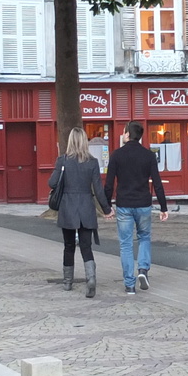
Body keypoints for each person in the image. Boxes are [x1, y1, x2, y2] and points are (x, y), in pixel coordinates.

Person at [104, 122, 168, 297]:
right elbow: (157, 183)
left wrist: (106, 206)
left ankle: (129, 285)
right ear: (140, 136)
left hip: (124, 204)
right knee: (144, 237)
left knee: (125, 244)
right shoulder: (148, 156)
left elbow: (109, 184)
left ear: (126, 135)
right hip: (143, 204)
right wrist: (163, 206)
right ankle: (143, 269)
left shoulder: (116, 155)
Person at [48, 127, 112, 298]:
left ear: (70, 141)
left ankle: (67, 282)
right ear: (85, 141)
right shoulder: (92, 162)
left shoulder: (62, 161)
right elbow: (98, 189)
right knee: (86, 247)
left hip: (68, 208)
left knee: (68, 246)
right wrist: (107, 209)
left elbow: (52, 183)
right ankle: (91, 279)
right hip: (86, 208)